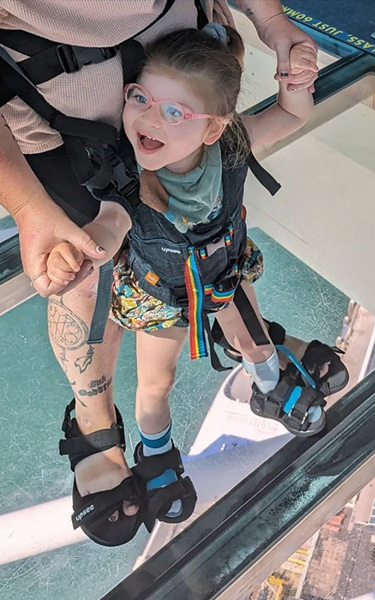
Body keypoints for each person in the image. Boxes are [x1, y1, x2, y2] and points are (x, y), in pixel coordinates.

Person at [0, 0, 320, 546]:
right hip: (160, 294)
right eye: (140, 101)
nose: (148, 118)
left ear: (214, 128)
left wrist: (275, 27)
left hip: (216, 268)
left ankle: (264, 373)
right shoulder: (135, 181)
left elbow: (286, 115)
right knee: (158, 381)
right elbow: (108, 224)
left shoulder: (230, 146)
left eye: (169, 113)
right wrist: (43, 222)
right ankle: (138, 440)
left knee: (247, 328)